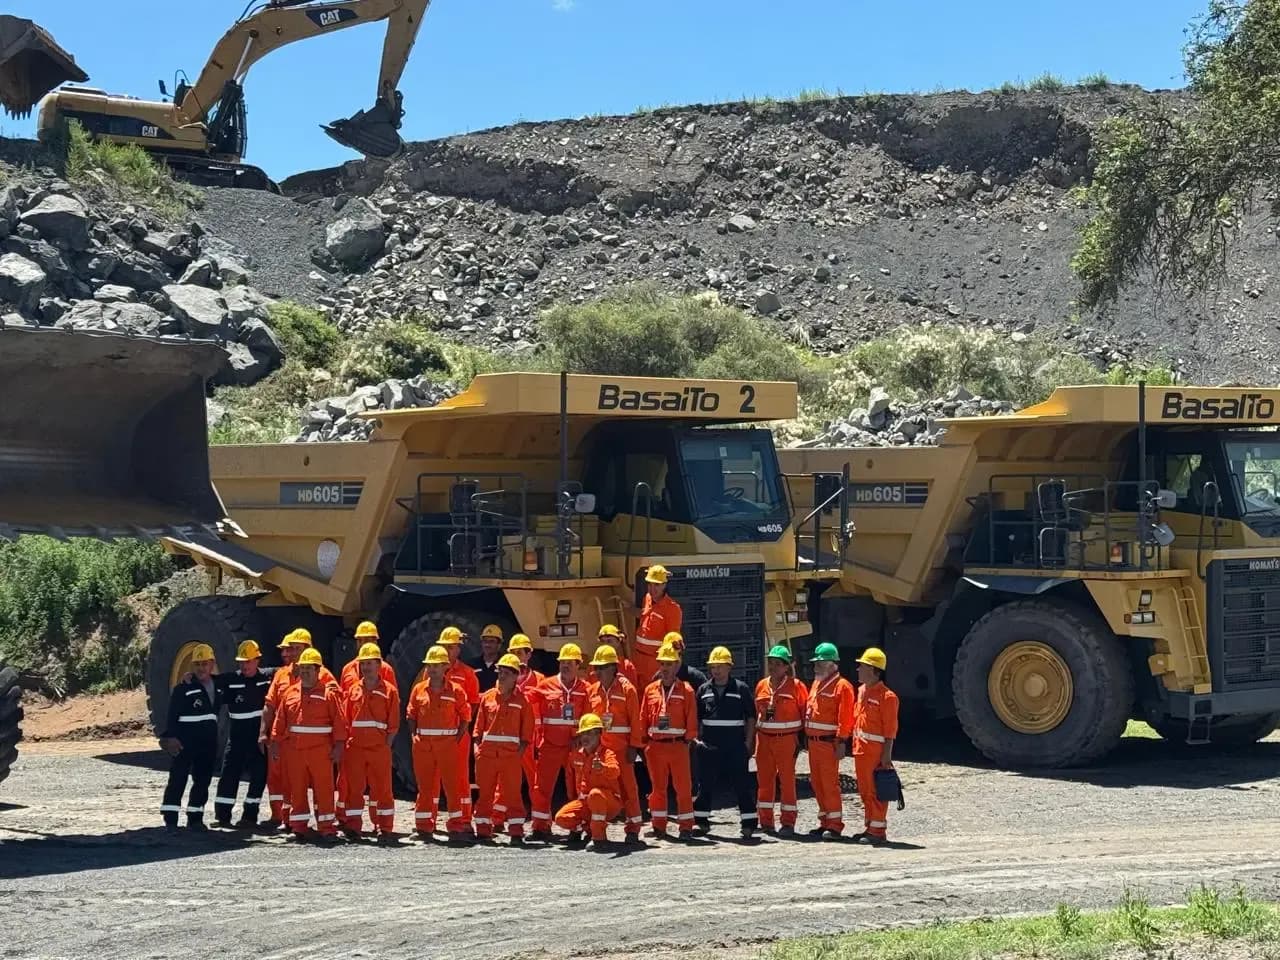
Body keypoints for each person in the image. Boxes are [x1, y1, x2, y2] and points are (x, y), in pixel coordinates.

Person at [259, 629, 335, 829]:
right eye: (290, 648)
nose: (291, 653)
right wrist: (265, 733)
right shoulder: (281, 674)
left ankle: (324, 825)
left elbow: (335, 708)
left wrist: (337, 743)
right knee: (288, 782)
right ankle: (287, 819)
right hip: (286, 741)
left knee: (320, 784)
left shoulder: (323, 675)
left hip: (315, 744)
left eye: (296, 648)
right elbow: (271, 705)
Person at [270, 648, 346, 842]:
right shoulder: (290, 693)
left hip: (320, 752)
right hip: (295, 751)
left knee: (324, 790)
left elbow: (339, 722)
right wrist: (275, 743)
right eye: (302, 668)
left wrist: (339, 747)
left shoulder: (328, 695)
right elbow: (280, 720)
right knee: (297, 790)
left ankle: (327, 828)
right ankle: (299, 827)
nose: (304, 672)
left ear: (318, 670)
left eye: (308, 669)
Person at [407, 644, 471, 840]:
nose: (432, 669)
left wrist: (456, 739)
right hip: (423, 746)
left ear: (445, 667)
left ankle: (456, 826)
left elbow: (465, 717)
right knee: (425, 787)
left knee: (452, 787)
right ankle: (423, 827)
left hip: (447, 746)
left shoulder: (456, 690)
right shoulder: (418, 689)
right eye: (429, 665)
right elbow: (411, 715)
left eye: (436, 665)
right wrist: (414, 736)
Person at [693, 646, 757, 838]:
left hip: (734, 746)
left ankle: (749, 823)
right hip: (709, 746)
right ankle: (701, 821)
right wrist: (698, 741)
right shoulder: (703, 690)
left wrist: (748, 742)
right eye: (713, 667)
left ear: (729, 667)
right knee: (705, 785)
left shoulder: (741, 689)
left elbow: (751, 717)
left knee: (741, 785)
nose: (716, 671)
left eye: (720, 666)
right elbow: (696, 718)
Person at [337, 621, 397, 827]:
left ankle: (383, 825)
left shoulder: (387, 675)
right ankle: (350, 823)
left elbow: (392, 712)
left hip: (378, 744)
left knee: (381, 786)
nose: (364, 643)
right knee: (352, 785)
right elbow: (345, 709)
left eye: (369, 639)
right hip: (355, 744)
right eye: (361, 640)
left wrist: (387, 742)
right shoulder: (348, 672)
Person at [529, 642, 591, 838]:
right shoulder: (545, 685)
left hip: (575, 746)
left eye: (569, 663)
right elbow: (525, 701)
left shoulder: (586, 689)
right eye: (562, 662)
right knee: (542, 787)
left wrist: (580, 736)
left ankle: (577, 827)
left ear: (578, 665)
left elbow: (590, 717)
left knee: (577, 787)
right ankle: (540, 827)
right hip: (550, 745)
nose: (565, 666)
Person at [212, 640, 276, 829]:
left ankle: (249, 816)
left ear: (257, 660)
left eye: (248, 661)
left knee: (258, 777)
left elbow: (288, 671)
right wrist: (190, 676)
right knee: (228, 775)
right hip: (237, 738)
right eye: (241, 662)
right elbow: (207, 679)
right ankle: (223, 816)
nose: (244, 666)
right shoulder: (231, 680)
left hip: (258, 740)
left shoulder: (267, 677)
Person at [472, 653, 535, 842]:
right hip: (487, 756)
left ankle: (516, 831)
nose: (502, 676)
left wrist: (518, 754)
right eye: (500, 672)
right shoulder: (488, 697)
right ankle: (483, 830)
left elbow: (527, 733)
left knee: (513, 795)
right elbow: (478, 729)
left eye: (507, 673)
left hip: (510, 757)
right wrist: (477, 749)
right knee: (485, 794)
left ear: (516, 676)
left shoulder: (523, 701)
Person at [159, 643, 220, 834]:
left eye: (205, 664)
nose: (201, 668)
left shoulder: (220, 685)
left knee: (203, 780)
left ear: (212, 664)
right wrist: (170, 737)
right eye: (197, 664)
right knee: (178, 778)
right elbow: (172, 715)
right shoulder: (183, 688)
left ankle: (195, 818)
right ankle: (170, 818)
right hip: (185, 742)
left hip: (207, 743)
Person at [587, 643, 644, 844]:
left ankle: (633, 829)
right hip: (600, 750)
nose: (597, 672)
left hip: (622, 749)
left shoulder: (628, 689)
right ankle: (597, 831)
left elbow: (636, 721)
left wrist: (634, 747)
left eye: (602, 667)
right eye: (596, 668)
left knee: (628, 789)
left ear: (613, 667)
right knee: (599, 790)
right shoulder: (593, 690)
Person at [641, 642, 697, 839]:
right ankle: (658, 826)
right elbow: (643, 717)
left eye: (669, 664)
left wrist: (687, 740)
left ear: (676, 666)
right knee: (658, 789)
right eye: (662, 664)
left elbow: (691, 718)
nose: (665, 668)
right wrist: (644, 742)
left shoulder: (686, 690)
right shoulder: (650, 690)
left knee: (683, 789)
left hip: (678, 746)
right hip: (655, 747)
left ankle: (686, 827)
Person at [754, 644, 807, 837]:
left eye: (778, 663)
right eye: (771, 663)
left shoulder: (797, 686)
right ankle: (766, 822)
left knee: (787, 781)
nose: (773, 667)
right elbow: (757, 712)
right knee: (764, 781)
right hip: (764, 740)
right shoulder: (761, 685)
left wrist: (801, 740)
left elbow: (804, 711)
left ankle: (788, 822)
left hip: (786, 740)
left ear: (786, 667)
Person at [805, 642, 856, 839]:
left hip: (828, 744)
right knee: (817, 783)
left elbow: (846, 717)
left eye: (819, 663)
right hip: (813, 743)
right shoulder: (818, 683)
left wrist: (842, 741)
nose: (815, 667)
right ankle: (824, 821)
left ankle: (835, 825)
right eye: (815, 663)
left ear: (831, 664)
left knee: (829, 784)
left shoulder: (842, 687)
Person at [554, 713, 623, 850]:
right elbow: (570, 779)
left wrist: (603, 768)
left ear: (599, 734)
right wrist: (573, 800)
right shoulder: (576, 755)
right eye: (583, 733)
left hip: (608, 803)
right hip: (585, 802)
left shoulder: (607, 753)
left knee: (595, 794)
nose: (585, 737)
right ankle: (587, 829)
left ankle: (599, 839)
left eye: (589, 733)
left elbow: (615, 771)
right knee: (561, 818)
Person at [852, 647, 899, 846]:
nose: (858, 669)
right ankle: (870, 826)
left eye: (862, 666)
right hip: (861, 750)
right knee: (865, 790)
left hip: (875, 752)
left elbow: (890, 730)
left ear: (873, 670)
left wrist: (886, 756)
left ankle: (878, 831)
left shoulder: (887, 697)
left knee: (875, 791)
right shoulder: (862, 691)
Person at [438, 626, 480, 822]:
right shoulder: (431, 671)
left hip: (459, 733)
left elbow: (473, 704)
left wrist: (461, 726)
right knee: (434, 776)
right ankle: (429, 819)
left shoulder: (467, 673)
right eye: (444, 646)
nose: (447, 651)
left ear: (458, 649)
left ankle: (464, 817)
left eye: (451, 647)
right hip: (436, 733)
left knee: (461, 776)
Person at [507, 632, 543, 824]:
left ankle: (539, 817)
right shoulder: (504, 679)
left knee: (534, 779)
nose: (517, 656)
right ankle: (501, 817)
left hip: (532, 737)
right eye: (513, 652)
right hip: (510, 735)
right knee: (505, 778)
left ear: (529, 654)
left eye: (520, 652)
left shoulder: (540, 679)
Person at [633, 565, 681, 688]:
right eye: (649, 584)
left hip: (654, 662)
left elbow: (673, 642)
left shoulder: (672, 609)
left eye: (656, 585)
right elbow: (643, 615)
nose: (652, 588)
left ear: (664, 585)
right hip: (638, 659)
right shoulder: (647, 599)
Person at [471, 624, 505, 693]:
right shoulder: (471, 665)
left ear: (499, 644)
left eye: (491, 641)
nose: (487, 645)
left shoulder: (505, 666)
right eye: (485, 641)